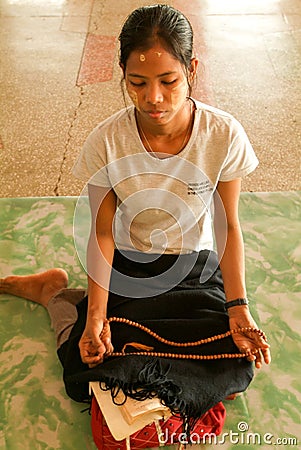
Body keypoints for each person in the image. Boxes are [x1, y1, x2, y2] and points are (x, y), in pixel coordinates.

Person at [1, 3, 270, 437]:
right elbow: (103, 233)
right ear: (122, 76)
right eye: (137, 83)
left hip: (195, 267)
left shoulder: (223, 134)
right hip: (128, 265)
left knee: (233, 366)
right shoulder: (107, 141)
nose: (154, 98)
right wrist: (95, 320)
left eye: (169, 81)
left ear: (192, 70)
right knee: (86, 368)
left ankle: (68, 297)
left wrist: (239, 309)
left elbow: (227, 228)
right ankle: (57, 296)